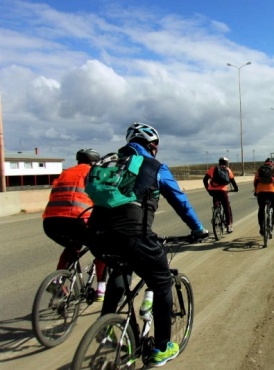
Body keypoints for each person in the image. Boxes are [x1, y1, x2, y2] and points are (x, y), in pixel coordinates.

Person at [86, 122, 208, 367]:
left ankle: (109, 326)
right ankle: (162, 348)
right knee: (162, 281)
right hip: (134, 236)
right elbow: (180, 202)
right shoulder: (155, 167)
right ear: (152, 146)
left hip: (97, 235)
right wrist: (197, 229)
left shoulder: (111, 163)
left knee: (120, 270)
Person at [42, 148, 107, 301]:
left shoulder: (65, 173)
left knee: (72, 247)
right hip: (77, 219)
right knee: (102, 247)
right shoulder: (94, 172)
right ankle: (101, 290)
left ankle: (57, 282)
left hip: (50, 222)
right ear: (94, 162)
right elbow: (103, 198)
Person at [203, 157, 239, 233]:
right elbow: (233, 181)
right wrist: (236, 188)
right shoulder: (228, 170)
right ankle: (229, 226)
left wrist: (208, 188)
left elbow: (205, 179)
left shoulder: (213, 169)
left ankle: (216, 211)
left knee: (215, 199)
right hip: (222, 191)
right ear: (226, 163)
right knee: (226, 207)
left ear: (219, 162)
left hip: (212, 190)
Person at [253, 158, 274, 236]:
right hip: (273, 191)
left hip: (260, 192)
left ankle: (262, 228)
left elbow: (255, 181)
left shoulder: (260, 169)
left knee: (261, 209)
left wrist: (256, 190)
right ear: (272, 164)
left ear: (265, 163)